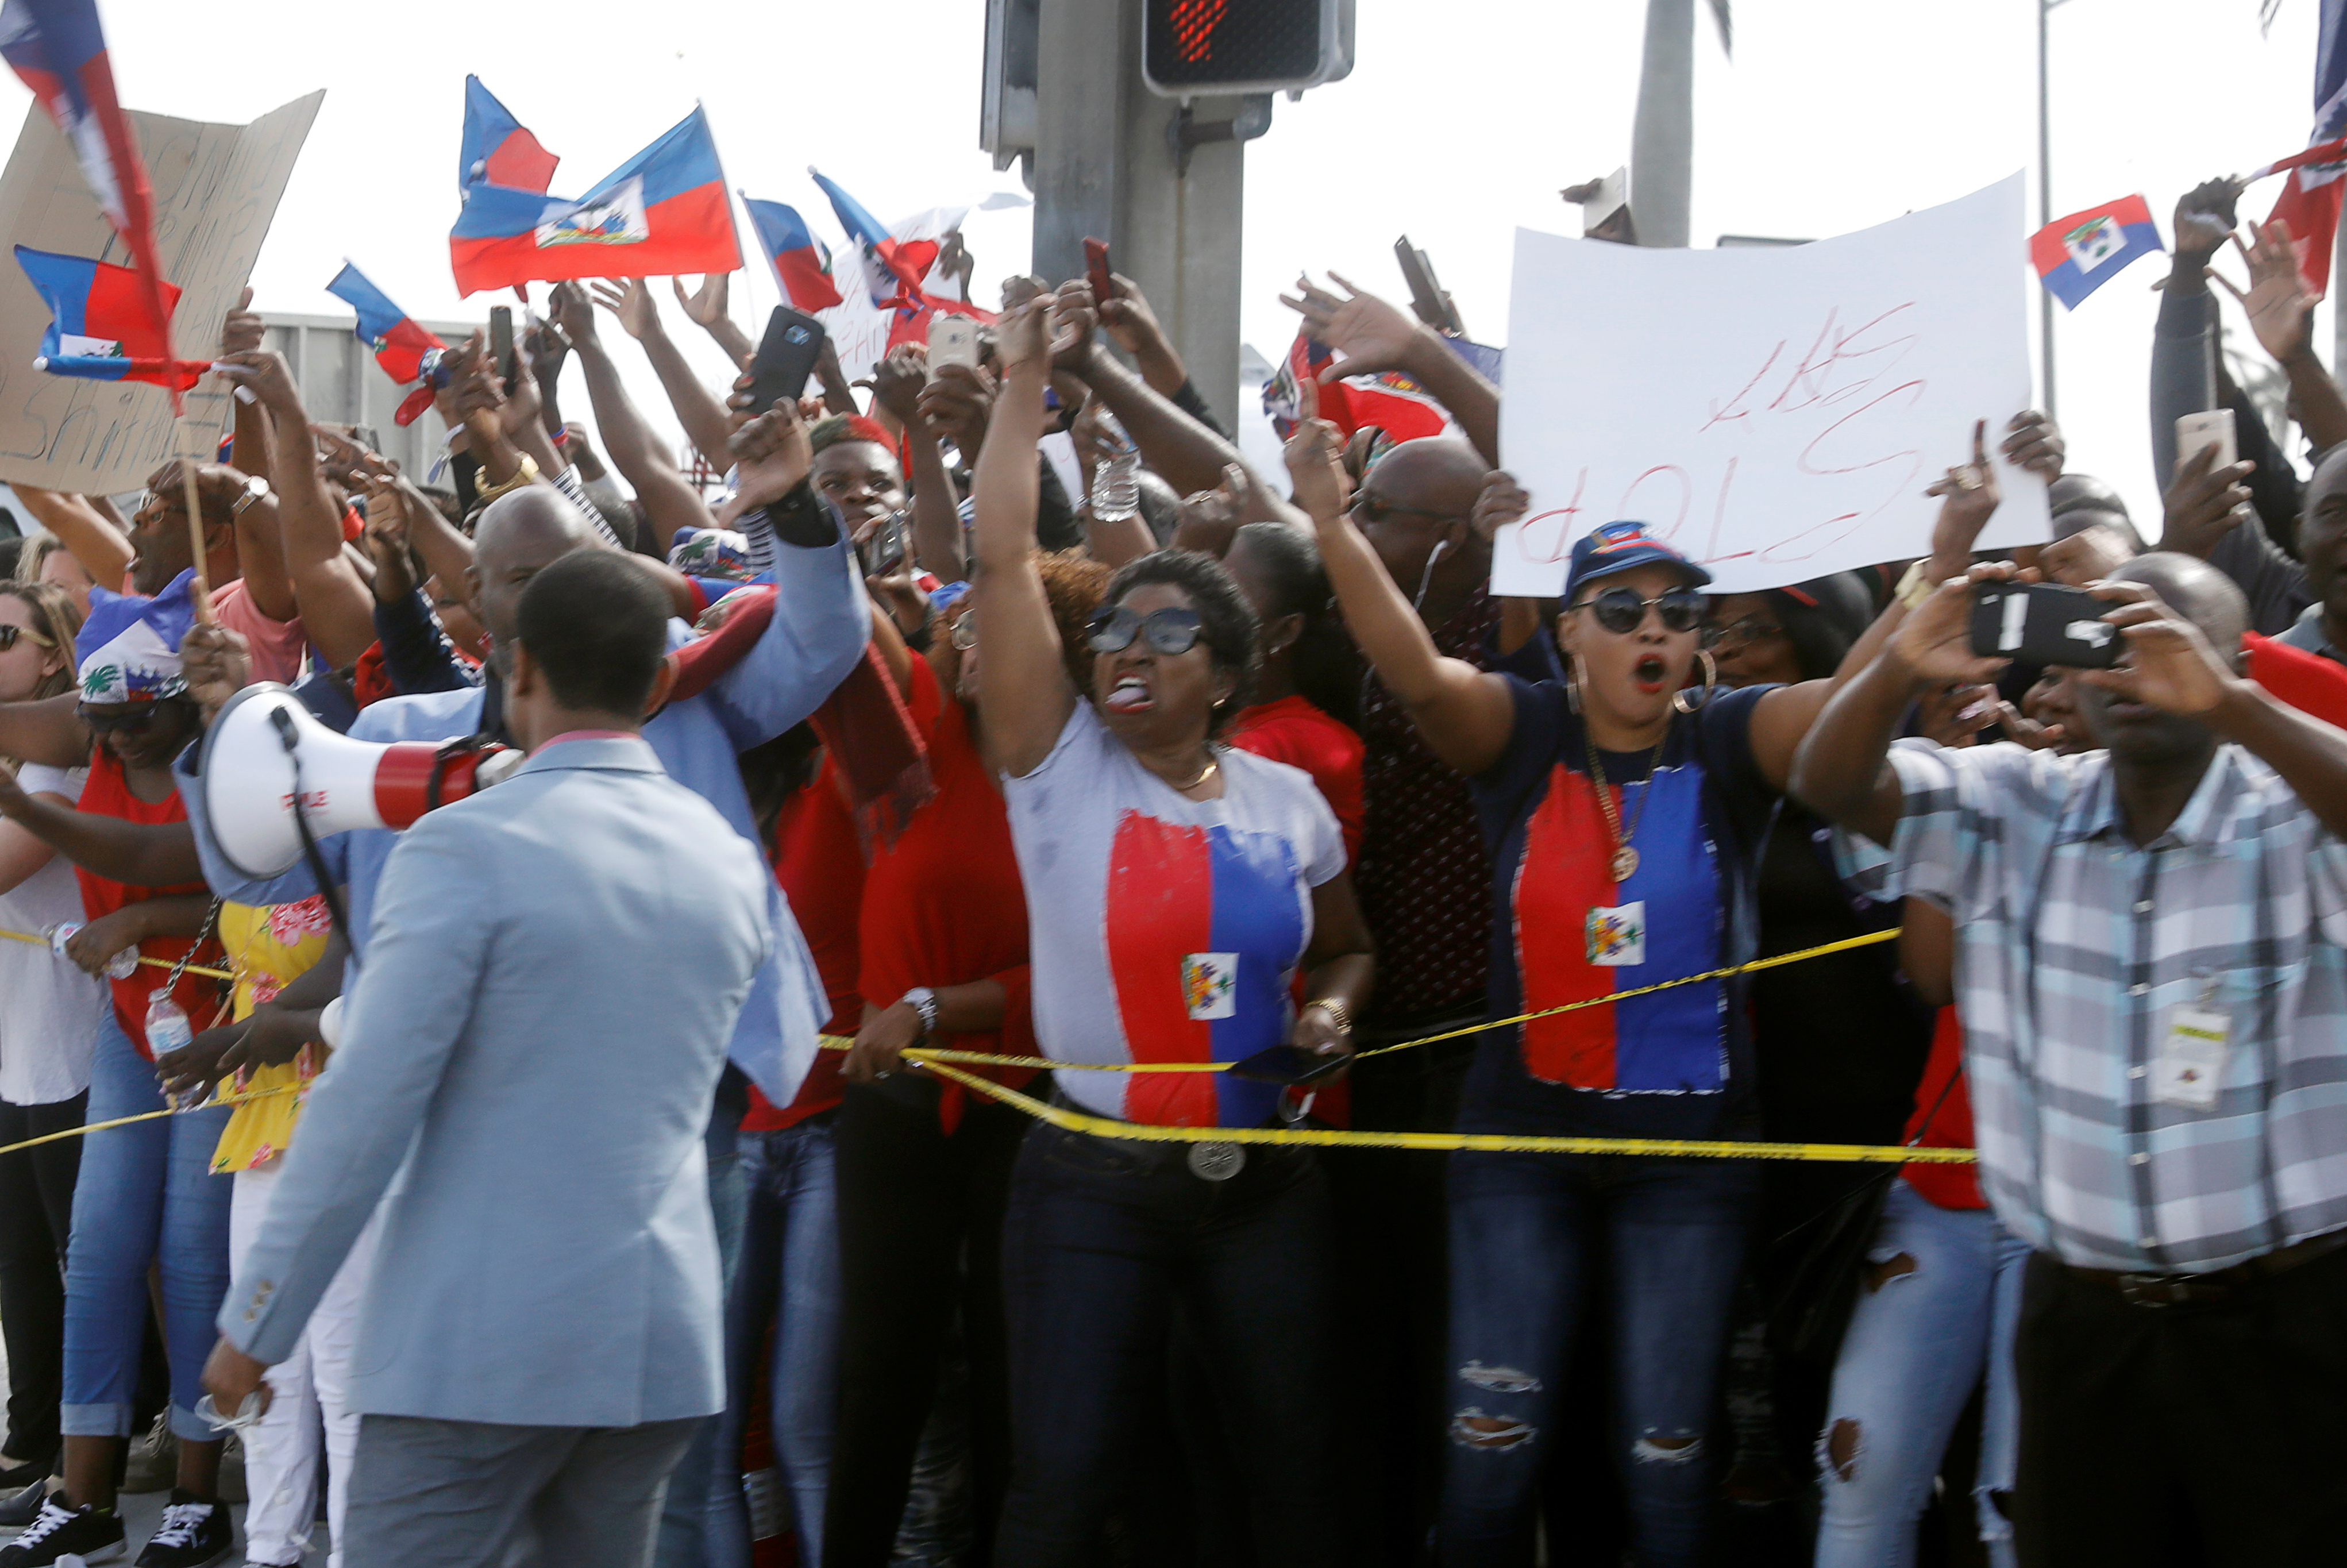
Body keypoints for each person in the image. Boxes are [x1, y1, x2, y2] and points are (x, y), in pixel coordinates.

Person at [1306, 400, 1951, 1564]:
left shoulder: (1732, 737)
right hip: (1520, 1152)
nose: (1654, 628)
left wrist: (1935, 574)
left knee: (1667, 1465)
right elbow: (1407, 664)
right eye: (1621, 608)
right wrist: (1325, 519)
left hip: (1689, 1167)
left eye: (1677, 610)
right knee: (1491, 1455)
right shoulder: (1521, 731)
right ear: (1570, 637)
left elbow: (1852, 710)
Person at [199, 549, 774, 1568]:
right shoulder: (724, 856)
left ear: (517, 673)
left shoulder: (460, 849)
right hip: (656, 1348)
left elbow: (365, 1107)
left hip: (478, 1347)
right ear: (655, 684)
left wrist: (256, 1324)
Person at [1790, 546, 2347, 1564]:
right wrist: (1900, 663)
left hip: (2287, 1325)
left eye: (2161, 641)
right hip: (2081, 1325)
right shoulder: (2013, 803)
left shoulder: (2292, 815)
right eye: (2102, 641)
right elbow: (1829, 780)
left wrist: (2231, 707)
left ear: (2234, 663)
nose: (2127, 667)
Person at [970, 296, 1375, 1567]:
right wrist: (1025, 380)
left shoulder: (1289, 800)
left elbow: (1352, 947)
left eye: (1167, 632)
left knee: (1295, 1475)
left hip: (1267, 1189)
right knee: (1065, 1486)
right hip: (1093, 1183)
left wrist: (1328, 1012)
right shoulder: (1059, 769)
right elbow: (998, 562)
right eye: (1112, 631)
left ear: (1230, 672)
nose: (1128, 650)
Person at [823, 553, 1107, 1568]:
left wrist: (939, 1006)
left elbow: (1090, 969)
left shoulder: (1088, 787)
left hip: (1024, 1113)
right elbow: (836, 633)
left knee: (1010, 1376)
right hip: (893, 1108)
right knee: (878, 1378)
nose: (986, 644)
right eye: (972, 625)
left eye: (1014, 629)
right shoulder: (913, 745)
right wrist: (798, 513)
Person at [0, 573, 233, 1568]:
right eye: (102, 718)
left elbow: (228, 878)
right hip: (133, 1025)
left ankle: (197, 1494)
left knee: (188, 1258)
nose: (122, 736)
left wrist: (140, 917)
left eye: (145, 715)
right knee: (96, 1251)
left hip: (226, 1031)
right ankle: (82, 1493)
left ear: (187, 697)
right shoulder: (96, 723)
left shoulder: (233, 751)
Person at [0, 584, 104, 1500]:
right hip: (12, 1050)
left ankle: (88, 1458)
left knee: (81, 1267)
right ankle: (28, 1439)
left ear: (53, 659)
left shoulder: (54, 769)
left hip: (74, 1050)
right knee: (21, 1266)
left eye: (1, 635)